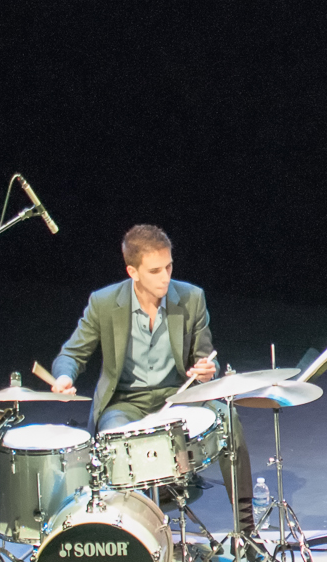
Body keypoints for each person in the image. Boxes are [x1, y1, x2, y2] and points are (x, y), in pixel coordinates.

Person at [50, 224, 257, 534]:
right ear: (132, 271)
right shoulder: (104, 303)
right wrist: (64, 377)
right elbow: (71, 354)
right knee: (115, 436)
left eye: (169, 266)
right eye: (155, 270)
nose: (165, 277)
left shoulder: (191, 299)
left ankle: (246, 530)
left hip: (178, 396)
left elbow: (204, 357)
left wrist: (204, 371)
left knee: (228, 416)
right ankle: (138, 535)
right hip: (126, 403)